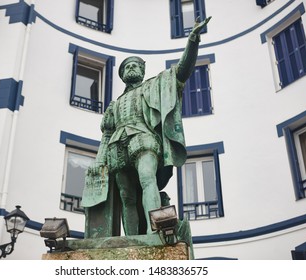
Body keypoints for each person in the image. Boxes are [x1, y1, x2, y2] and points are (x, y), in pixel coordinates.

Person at [82, 17, 211, 235]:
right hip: (116, 146)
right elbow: (106, 135)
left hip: (144, 138)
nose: (131, 68)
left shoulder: (154, 85)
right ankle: (132, 240)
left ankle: (154, 233)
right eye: (127, 67)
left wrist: (192, 40)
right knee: (126, 197)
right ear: (122, 75)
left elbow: (181, 72)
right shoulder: (113, 105)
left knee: (147, 179)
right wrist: (99, 162)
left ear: (142, 71)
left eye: (135, 65)